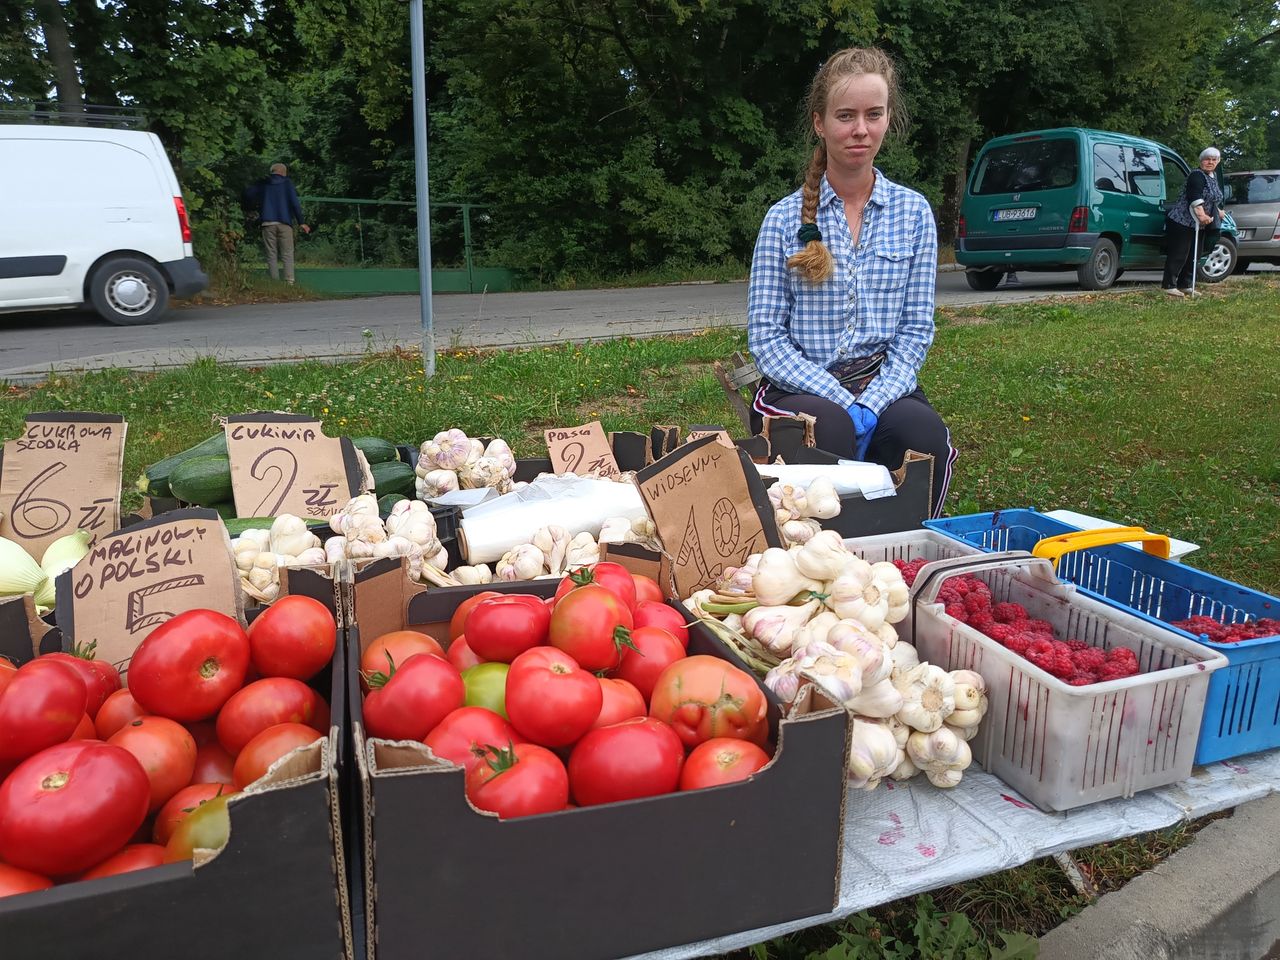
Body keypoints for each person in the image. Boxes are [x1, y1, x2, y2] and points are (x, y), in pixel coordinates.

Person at [747, 47, 956, 518]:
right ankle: (817, 558)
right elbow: (767, 339)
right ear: (820, 123)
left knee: (922, 439)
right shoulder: (783, 220)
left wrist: (876, 399)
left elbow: (916, 330)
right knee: (831, 430)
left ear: (887, 119)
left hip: (884, 380)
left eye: (873, 114)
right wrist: (844, 401)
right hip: (799, 384)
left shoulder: (914, 213)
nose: (860, 129)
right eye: (846, 116)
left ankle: (901, 550)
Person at [1162, 147, 1223, 297]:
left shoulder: (1212, 176)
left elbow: (1213, 198)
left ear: (1218, 162)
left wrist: (1218, 211)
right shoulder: (1196, 175)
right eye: (1207, 159)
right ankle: (1169, 285)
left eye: (1213, 160)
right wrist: (1202, 215)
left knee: (1194, 254)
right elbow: (1195, 197)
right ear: (1201, 160)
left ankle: (1186, 284)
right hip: (1182, 221)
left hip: (1200, 224)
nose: (1210, 162)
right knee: (1179, 253)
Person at [256, 163, 310, 284]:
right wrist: (301, 222)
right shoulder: (287, 183)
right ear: (283, 172)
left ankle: (274, 282)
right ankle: (289, 281)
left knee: (271, 253)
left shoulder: (263, 184)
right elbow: (295, 203)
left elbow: (254, 200)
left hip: (267, 223)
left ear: (272, 172)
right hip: (285, 223)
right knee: (287, 253)